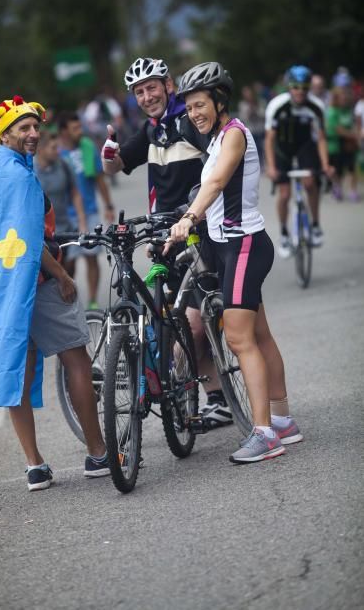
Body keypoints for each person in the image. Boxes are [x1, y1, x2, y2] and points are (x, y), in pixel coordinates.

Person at [166, 61, 303, 464]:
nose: (195, 114)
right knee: (259, 335)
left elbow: (216, 182)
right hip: (231, 247)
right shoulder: (216, 139)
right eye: (189, 108)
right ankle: (283, 421)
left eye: (200, 105)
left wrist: (189, 217)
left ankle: (263, 434)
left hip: (243, 246)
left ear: (219, 100)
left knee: (240, 338)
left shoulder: (234, 136)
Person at [0, 96, 110, 491]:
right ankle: (99, 453)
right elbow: (30, 239)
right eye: (24, 128)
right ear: (4, 134)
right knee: (77, 361)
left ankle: (34, 465)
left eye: (36, 127)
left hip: (4, 289)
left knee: (20, 369)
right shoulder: (18, 177)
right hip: (36, 283)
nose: (34, 134)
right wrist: (63, 277)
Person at [101, 56, 232, 428]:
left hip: (201, 230)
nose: (147, 96)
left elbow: (220, 160)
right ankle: (216, 399)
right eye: (139, 92)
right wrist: (108, 154)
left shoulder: (188, 119)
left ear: (167, 85)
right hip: (168, 236)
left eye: (152, 87)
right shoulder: (151, 130)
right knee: (178, 322)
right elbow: (116, 164)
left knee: (193, 323)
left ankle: (199, 386)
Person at [264, 65, 333, 259]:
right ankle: (284, 233)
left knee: (311, 183)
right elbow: (269, 139)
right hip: (282, 150)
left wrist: (326, 165)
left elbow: (320, 138)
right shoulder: (277, 106)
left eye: (304, 87)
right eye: (296, 87)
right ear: (289, 87)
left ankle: (316, 224)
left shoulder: (316, 106)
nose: (300, 91)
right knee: (284, 194)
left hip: (305, 147)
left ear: (309, 87)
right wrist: (271, 167)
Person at [57, 111, 115, 309]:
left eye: (80, 127)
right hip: (65, 215)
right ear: (64, 131)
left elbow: (99, 179)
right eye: (75, 128)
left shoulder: (88, 147)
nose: (79, 131)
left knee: (91, 256)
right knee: (68, 262)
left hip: (89, 212)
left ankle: (92, 301)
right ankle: (68, 299)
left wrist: (108, 205)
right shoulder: (56, 152)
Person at [34, 130, 88, 262]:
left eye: (57, 147)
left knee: (69, 266)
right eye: (53, 148)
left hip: (65, 228)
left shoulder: (63, 165)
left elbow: (75, 193)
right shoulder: (30, 171)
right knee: (55, 272)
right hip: (43, 233)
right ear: (40, 149)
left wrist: (82, 222)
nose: (57, 151)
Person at [326, 87, 360, 202]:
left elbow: (353, 124)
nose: (345, 98)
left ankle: (353, 191)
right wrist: (354, 135)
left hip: (348, 144)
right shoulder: (332, 111)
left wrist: (355, 135)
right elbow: (337, 129)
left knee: (352, 168)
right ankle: (337, 188)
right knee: (337, 169)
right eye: (342, 96)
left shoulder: (348, 110)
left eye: (346, 96)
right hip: (335, 144)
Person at [237, 85, 266, 167]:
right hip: (251, 131)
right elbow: (243, 118)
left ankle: (262, 165)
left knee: (261, 149)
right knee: (252, 150)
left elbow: (263, 115)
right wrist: (250, 111)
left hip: (260, 130)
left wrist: (255, 109)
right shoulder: (242, 104)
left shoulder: (260, 102)